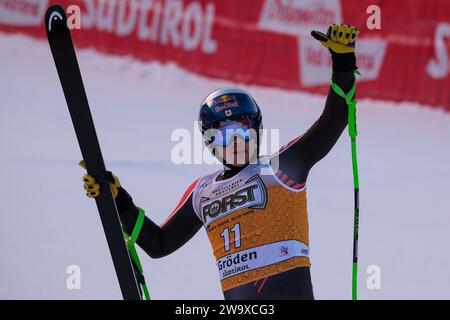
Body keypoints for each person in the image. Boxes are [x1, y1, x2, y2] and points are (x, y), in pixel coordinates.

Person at [80, 23, 359, 300]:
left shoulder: (282, 167)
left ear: (257, 131)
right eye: (224, 135)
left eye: (242, 131)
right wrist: (119, 201)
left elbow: (331, 124)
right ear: (210, 142)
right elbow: (159, 243)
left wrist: (343, 62)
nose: (235, 141)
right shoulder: (203, 192)